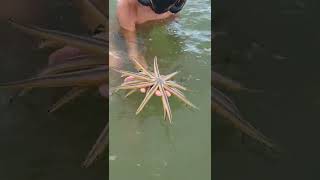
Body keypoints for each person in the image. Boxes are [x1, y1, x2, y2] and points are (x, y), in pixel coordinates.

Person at [116, 0, 187, 96]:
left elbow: (175, 25)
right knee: (115, 62)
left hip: (157, 29)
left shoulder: (176, 5)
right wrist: (144, 73)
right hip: (132, 31)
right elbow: (133, 48)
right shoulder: (127, 5)